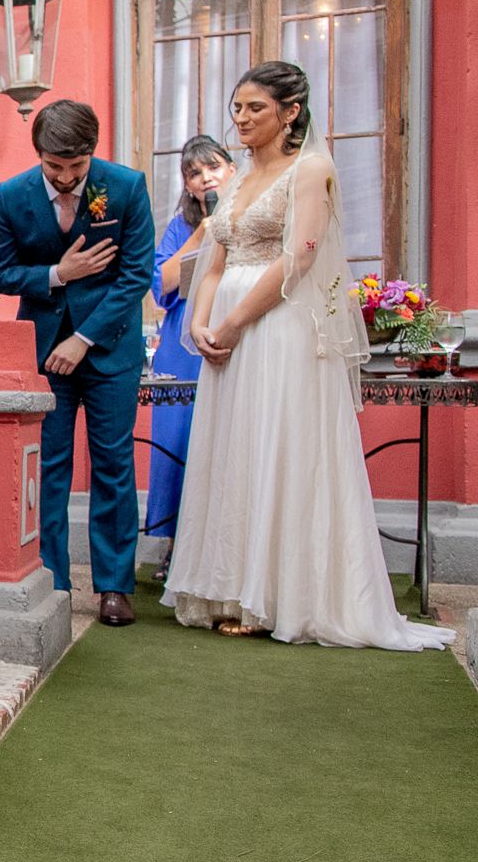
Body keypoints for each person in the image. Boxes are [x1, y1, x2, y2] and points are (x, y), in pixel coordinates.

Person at [164, 62, 452, 650]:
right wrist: (199, 324)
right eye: (237, 109)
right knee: (236, 451)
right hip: (225, 334)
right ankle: (230, 589)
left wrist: (236, 322)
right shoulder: (239, 179)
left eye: (255, 108)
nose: (242, 119)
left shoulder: (312, 169)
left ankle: (279, 596)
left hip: (278, 328)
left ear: (290, 111)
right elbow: (214, 264)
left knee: (278, 446)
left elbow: (298, 259)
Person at [0, 100, 154, 627]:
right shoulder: (13, 194)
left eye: (75, 167)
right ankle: (53, 579)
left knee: (113, 464)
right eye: (53, 166)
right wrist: (59, 273)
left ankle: (114, 585)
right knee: (49, 467)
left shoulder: (126, 187)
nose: (64, 177)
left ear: (91, 154)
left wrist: (83, 338)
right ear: (39, 154)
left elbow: (136, 276)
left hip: (109, 350)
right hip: (43, 352)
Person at [145, 135, 230, 568]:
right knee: (179, 443)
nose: (205, 178)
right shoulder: (182, 225)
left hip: (233, 330)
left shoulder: (254, 210)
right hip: (182, 345)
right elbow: (162, 284)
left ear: (232, 169)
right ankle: (176, 547)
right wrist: (202, 232)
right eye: (194, 173)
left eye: (213, 167)